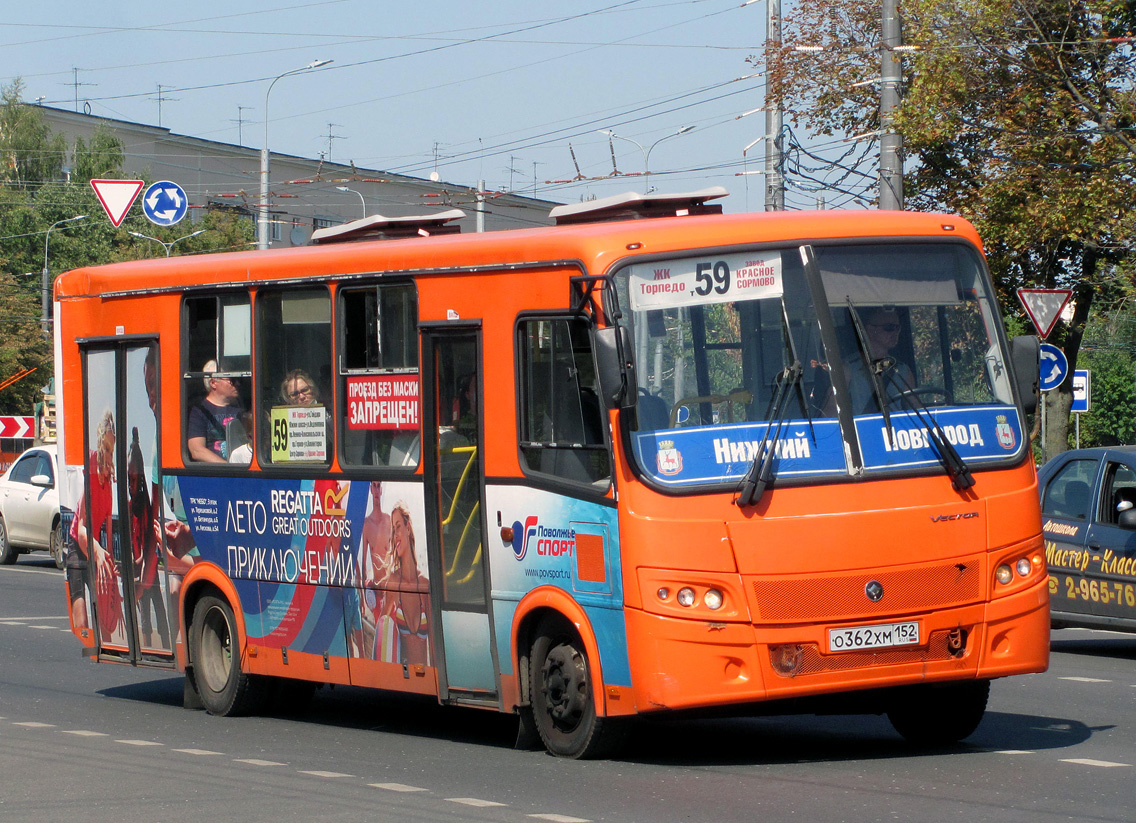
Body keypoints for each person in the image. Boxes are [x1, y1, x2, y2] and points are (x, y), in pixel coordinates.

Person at [70, 409, 126, 646]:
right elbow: (82, 529)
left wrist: (113, 585)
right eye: (106, 449)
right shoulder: (92, 464)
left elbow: (110, 533)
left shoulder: (110, 486)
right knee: (81, 613)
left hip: (95, 550)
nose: (108, 456)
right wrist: (98, 551)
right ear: (99, 448)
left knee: (106, 616)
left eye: (112, 451)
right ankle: (83, 651)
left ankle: (107, 647)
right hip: (78, 545)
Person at [374, 502, 429, 666]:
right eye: (393, 529)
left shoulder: (425, 585)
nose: (395, 534)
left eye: (398, 526)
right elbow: (381, 632)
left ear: (408, 528)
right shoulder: (394, 582)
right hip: (403, 681)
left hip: (425, 682)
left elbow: (434, 645)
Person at [842, 307, 915, 415]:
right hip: (861, 430)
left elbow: (916, 408)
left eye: (897, 328)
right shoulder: (848, 368)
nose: (895, 333)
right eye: (889, 328)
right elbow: (832, 411)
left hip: (895, 430)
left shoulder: (902, 370)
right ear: (871, 330)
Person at [187, 360, 243, 462]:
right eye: (232, 380)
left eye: (237, 379)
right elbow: (196, 450)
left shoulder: (241, 409)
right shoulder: (200, 411)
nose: (237, 383)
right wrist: (229, 468)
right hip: (217, 473)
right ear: (213, 383)